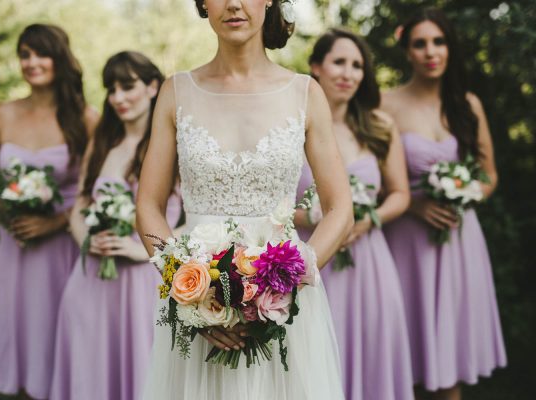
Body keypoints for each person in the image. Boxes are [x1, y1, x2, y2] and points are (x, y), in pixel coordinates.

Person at [136, 1, 353, 399]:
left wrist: (288, 283)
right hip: (198, 313)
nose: (234, 4)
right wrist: (191, 293)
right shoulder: (176, 90)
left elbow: (341, 209)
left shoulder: (305, 92)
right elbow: (148, 206)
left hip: (283, 309)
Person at [0, 24, 98, 399]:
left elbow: (98, 188)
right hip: (12, 246)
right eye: (25, 54)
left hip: (62, 247)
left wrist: (54, 222)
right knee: (19, 341)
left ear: (60, 59)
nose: (31, 62)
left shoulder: (85, 118)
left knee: (58, 343)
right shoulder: (2, 115)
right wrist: (5, 213)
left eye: (41, 53)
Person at [382, 8, 507, 400]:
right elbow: (372, 180)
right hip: (407, 239)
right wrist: (416, 206)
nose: (430, 52)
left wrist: (464, 195)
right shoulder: (386, 106)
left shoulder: (467, 105)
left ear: (449, 48)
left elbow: (489, 175)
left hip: (458, 238)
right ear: (407, 51)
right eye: (420, 44)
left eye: (438, 42)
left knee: (449, 358)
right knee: (408, 355)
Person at [49, 51, 181, 400]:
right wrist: (86, 240)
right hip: (91, 279)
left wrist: (142, 249)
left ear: (153, 87)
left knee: (142, 377)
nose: (118, 98)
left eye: (127, 87)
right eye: (111, 89)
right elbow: (80, 203)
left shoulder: (175, 144)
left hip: (144, 283)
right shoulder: (104, 140)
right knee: (89, 376)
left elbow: (193, 221)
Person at [295, 27, 414, 400]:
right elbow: (272, 201)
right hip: (312, 259)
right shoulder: (291, 126)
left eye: (357, 65)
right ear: (316, 67)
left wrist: (364, 218)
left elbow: (400, 194)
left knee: (372, 352)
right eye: (339, 63)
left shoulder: (379, 126)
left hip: (369, 262)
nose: (348, 73)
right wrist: (319, 217)